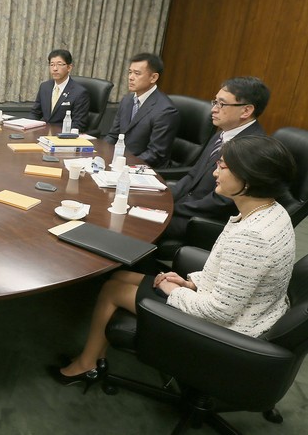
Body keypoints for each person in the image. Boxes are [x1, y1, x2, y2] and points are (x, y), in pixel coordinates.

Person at [50, 135, 296, 390]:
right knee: (119, 276)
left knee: (113, 290)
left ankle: (87, 363)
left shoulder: (252, 237)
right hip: (234, 305)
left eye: (222, 167)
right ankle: (95, 357)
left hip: (231, 330)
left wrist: (174, 290)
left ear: (249, 177)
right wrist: (190, 282)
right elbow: (232, 275)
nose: (215, 173)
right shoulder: (269, 211)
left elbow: (219, 313)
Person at [163, 77, 269, 240]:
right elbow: (193, 175)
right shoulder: (222, 134)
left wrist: (173, 209)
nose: (213, 109)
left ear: (246, 111)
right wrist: (164, 200)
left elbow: (222, 202)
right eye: (215, 102)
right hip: (186, 208)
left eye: (222, 104)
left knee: (137, 224)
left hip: (203, 221)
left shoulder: (251, 148)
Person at [104, 53, 179, 168]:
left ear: (153, 77)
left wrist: (123, 163)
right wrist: (100, 152)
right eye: (130, 72)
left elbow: (155, 154)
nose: (130, 77)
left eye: (137, 73)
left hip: (142, 168)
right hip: (119, 163)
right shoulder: (127, 100)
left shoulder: (165, 110)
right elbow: (113, 135)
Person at [30, 50, 90, 131]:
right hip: (42, 135)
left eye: (59, 64)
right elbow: (35, 113)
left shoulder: (79, 92)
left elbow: (78, 124)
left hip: (62, 137)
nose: (55, 69)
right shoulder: (45, 87)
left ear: (69, 67)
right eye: (52, 65)